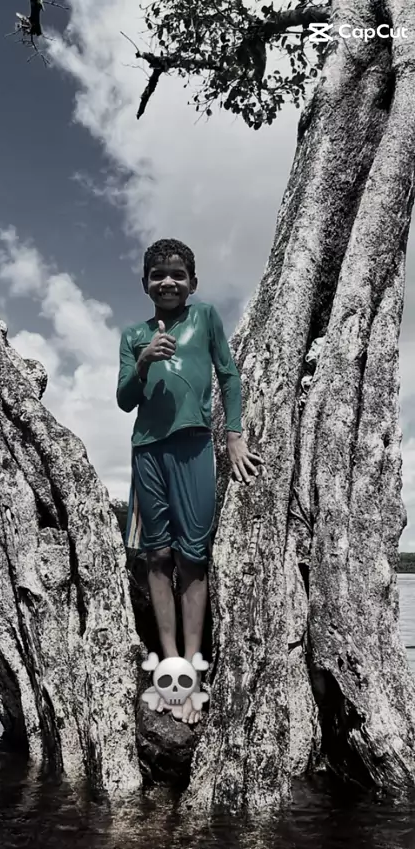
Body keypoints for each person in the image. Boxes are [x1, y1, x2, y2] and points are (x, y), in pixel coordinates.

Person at [116, 238, 263, 725]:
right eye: (158, 274)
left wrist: (234, 437)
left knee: (193, 559)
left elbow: (229, 376)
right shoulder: (134, 334)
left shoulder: (206, 318)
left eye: (177, 274)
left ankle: (194, 672)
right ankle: (171, 667)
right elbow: (124, 400)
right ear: (144, 284)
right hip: (148, 452)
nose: (168, 282)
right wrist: (143, 361)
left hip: (196, 447)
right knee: (157, 557)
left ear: (193, 282)